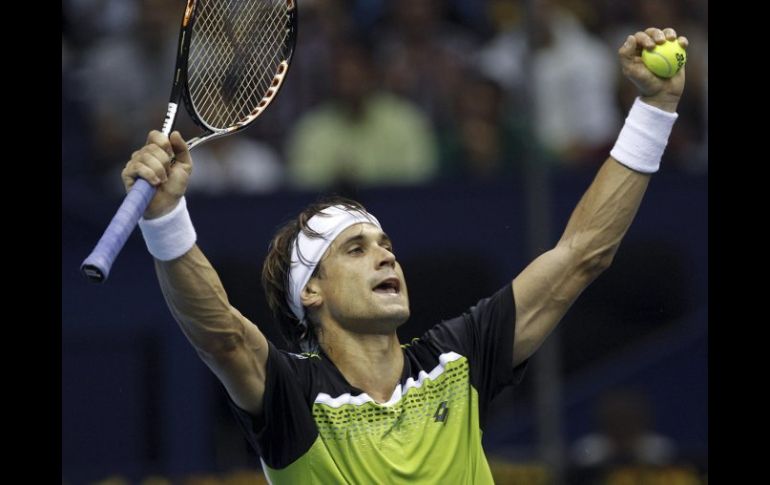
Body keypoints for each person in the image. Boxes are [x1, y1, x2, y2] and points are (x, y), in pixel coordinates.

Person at [122, 27, 688, 484]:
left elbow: (582, 253)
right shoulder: (292, 398)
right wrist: (167, 217)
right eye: (356, 248)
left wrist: (654, 109)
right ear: (310, 293)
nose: (385, 257)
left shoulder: (456, 360)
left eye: (386, 245)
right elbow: (220, 332)